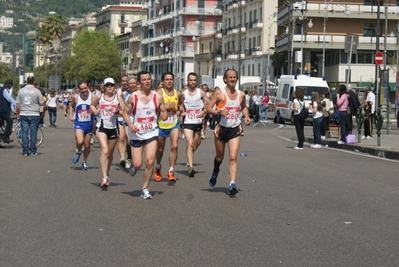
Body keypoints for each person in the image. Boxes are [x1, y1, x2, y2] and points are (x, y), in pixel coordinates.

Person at [122, 71, 168, 199]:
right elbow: (124, 113)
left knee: (150, 160)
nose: (147, 81)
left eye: (149, 79)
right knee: (138, 164)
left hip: (152, 132)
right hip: (136, 133)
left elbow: (163, 110)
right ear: (139, 83)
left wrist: (164, 115)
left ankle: (145, 188)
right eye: (144, 80)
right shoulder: (133, 97)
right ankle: (133, 167)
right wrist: (131, 125)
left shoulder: (157, 96)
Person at [205, 69, 251, 196]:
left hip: (235, 129)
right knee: (220, 157)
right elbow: (208, 108)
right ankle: (215, 171)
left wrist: (246, 116)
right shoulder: (219, 94)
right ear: (225, 79)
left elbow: (243, 107)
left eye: (234, 77)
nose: (232, 79)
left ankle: (232, 184)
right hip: (221, 129)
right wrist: (219, 112)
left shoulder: (241, 94)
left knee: (233, 157)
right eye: (230, 77)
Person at [90, 77, 119, 188]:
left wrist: (117, 111)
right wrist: (95, 110)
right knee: (105, 150)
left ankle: (106, 173)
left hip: (113, 127)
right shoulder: (99, 97)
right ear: (104, 87)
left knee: (110, 154)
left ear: (114, 86)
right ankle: (104, 177)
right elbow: (92, 105)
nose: (109, 87)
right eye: (107, 85)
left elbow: (124, 110)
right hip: (101, 127)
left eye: (111, 85)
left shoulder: (118, 98)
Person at [179, 72, 209, 177]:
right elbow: (180, 104)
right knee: (190, 143)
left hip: (198, 122)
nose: (192, 82)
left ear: (197, 81)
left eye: (194, 80)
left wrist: (204, 112)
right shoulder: (183, 93)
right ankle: (191, 167)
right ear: (188, 81)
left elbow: (209, 104)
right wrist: (182, 111)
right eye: (190, 80)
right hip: (188, 122)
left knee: (196, 144)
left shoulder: (201, 93)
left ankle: (190, 153)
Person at [154, 72, 182, 182]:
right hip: (161, 124)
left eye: (171, 79)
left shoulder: (178, 93)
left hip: (174, 123)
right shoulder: (158, 93)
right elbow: (155, 108)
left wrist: (180, 108)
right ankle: (158, 166)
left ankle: (171, 171)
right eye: (167, 79)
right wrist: (165, 107)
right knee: (160, 149)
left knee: (174, 146)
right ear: (163, 81)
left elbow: (180, 103)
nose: (169, 81)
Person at [69, 81, 95, 170]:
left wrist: (94, 110)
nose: (84, 90)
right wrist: (70, 115)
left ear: (87, 87)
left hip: (89, 123)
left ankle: (84, 161)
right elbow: (71, 106)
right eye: (81, 89)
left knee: (87, 145)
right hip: (79, 123)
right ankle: (78, 152)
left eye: (85, 88)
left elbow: (97, 107)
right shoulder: (76, 97)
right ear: (79, 90)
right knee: (80, 141)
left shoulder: (93, 97)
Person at [16, 76, 44, 156]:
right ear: (34, 81)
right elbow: (41, 103)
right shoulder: (37, 91)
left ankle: (25, 151)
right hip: (34, 113)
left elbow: (18, 104)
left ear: (26, 81)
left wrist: (18, 113)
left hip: (24, 113)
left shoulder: (21, 91)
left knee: (24, 132)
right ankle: (33, 151)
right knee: (33, 133)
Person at [116, 75, 129, 168]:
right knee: (121, 139)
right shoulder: (117, 92)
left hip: (129, 119)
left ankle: (130, 158)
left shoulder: (132, 92)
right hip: (120, 118)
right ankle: (122, 158)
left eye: (126, 81)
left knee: (129, 140)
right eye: (123, 81)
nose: (124, 82)